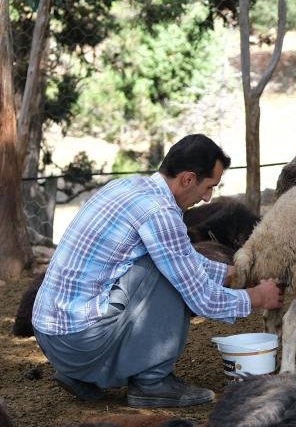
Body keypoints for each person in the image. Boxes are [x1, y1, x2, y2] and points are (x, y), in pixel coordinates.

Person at [32, 134, 282, 408]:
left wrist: (229, 274)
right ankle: (152, 383)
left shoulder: (128, 187)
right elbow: (201, 297)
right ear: (188, 179)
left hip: (53, 336)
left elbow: (184, 258)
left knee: (164, 264)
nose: (209, 198)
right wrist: (257, 297)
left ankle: (87, 375)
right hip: (80, 343)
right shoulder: (159, 212)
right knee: (164, 273)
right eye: (209, 187)